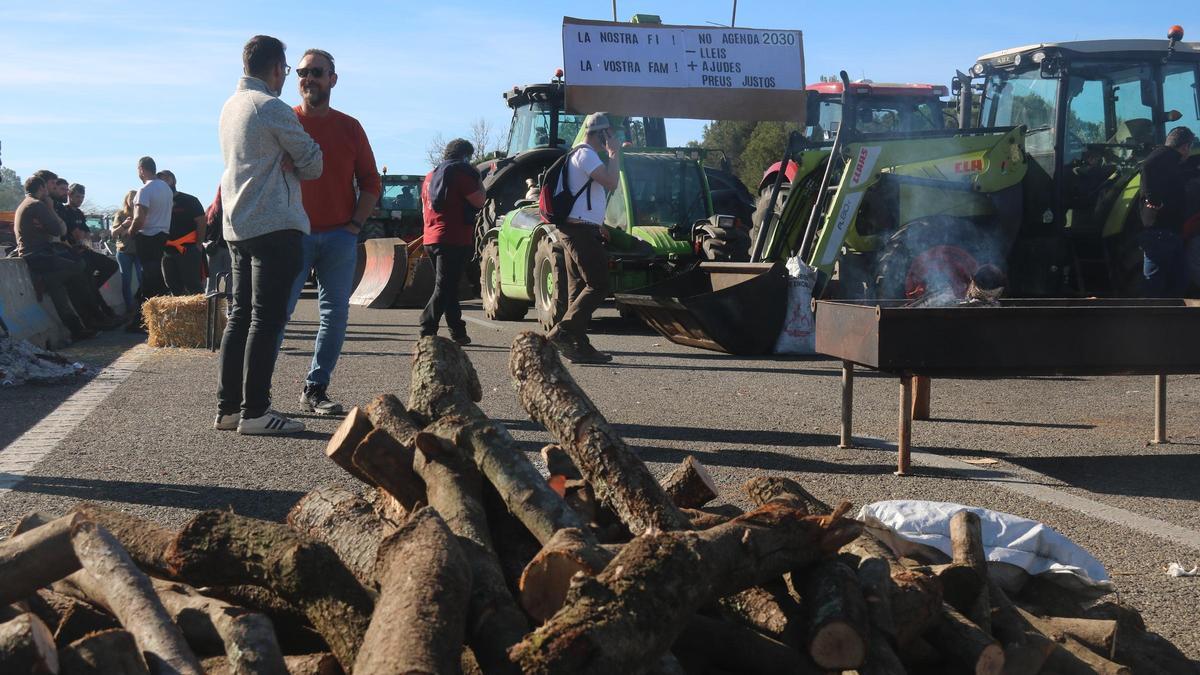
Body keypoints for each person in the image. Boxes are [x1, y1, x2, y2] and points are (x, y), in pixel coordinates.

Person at [216, 34, 323, 435]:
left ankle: (229, 408)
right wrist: (292, 162)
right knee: (267, 320)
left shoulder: (230, 107)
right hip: (275, 223)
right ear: (277, 68)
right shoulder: (270, 106)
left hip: (238, 223)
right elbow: (312, 162)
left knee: (240, 317)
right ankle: (257, 411)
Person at [285, 48, 381, 415]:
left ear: (332, 79)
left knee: (335, 314)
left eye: (316, 72)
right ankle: (256, 396)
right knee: (278, 313)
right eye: (302, 72)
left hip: (340, 236)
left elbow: (371, 181)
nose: (308, 78)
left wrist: (354, 225)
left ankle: (315, 388)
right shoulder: (285, 122)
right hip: (293, 235)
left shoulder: (350, 127)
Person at [545, 112, 621, 364]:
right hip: (578, 231)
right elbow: (611, 182)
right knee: (599, 284)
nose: (610, 138)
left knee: (577, 289)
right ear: (600, 132)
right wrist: (613, 154)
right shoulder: (586, 154)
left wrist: (598, 224)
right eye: (608, 133)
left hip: (577, 228)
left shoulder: (577, 154)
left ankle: (579, 347)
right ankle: (562, 332)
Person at [13, 176, 106, 340]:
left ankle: (76, 329)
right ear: (41, 188)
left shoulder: (24, 204)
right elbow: (58, 230)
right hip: (39, 254)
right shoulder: (36, 205)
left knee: (58, 288)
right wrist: (49, 208)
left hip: (34, 254)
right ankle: (90, 319)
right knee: (78, 267)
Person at [419, 138, 484, 345]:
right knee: (444, 287)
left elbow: (424, 209)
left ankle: (458, 332)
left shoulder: (430, 176)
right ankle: (426, 327)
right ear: (465, 156)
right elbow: (480, 200)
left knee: (449, 287)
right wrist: (480, 180)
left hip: (431, 237)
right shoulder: (461, 174)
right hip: (453, 238)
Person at [114, 157, 173, 326]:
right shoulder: (166, 189)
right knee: (154, 277)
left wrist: (130, 232)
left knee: (149, 278)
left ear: (141, 169)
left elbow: (139, 219)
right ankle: (152, 318)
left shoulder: (145, 190)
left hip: (147, 237)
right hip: (162, 234)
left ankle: (144, 320)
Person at [1139, 126, 1196, 297]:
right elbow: (1148, 166)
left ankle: (1170, 316)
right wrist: (1153, 200)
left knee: (1179, 279)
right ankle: (1152, 318)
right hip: (1161, 231)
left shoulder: (1168, 160)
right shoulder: (1163, 156)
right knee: (1155, 281)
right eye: (1189, 148)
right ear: (1185, 146)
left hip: (1168, 232)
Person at [62, 183, 121, 313]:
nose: (80, 200)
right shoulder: (66, 212)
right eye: (77, 197)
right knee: (88, 278)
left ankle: (91, 287)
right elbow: (76, 234)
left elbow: (87, 235)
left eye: (82, 197)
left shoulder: (79, 213)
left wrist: (85, 236)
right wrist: (82, 236)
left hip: (85, 249)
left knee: (111, 266)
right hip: (75, 252)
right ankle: (103, 310)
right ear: (69, 196)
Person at [156, 170, 206, 295]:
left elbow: (201, 222)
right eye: (160, 181)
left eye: (166, 179)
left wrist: (199, 244)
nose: (164, 183)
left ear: (174, 181)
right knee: (172, 285)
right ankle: (179, 314)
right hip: (166, 251)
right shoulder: (157, 204)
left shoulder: (189, 200)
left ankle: (201, 313)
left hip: (188, 248)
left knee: (193, 284)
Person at [112, 190, 142, 313]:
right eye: (131, 199)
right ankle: (130, 308)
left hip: (140, 251)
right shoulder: (121, 214)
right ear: (126, 200)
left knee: (143, 279)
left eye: (136, 199)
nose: (133, 201)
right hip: (124, 252)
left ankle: (143, 306)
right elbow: (114, 233)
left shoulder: (143, 213)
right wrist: (124, 225)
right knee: (126, 280)